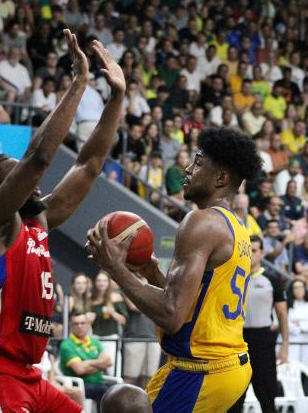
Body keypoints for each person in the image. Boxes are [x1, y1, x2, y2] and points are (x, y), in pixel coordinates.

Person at [0, 30, 125, 413]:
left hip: (30, 375)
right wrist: (79, 83)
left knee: (127, 401)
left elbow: (90, 164)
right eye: (18, 175)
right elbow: (39, 158)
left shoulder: (38, 223)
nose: (35, 182)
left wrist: (116, 98)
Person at [87, 127, 262, 412]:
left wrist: (115, 268)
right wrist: (152, 274)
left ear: (221, 178)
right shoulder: (237, 227)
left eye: (198, 163)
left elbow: (171, 315)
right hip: (223, 365)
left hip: (202, 369)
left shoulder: (201, 222)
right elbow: (192, 304)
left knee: (120, 401)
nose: (188, 168)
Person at [228, 236, 289, 413]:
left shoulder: (272, 279)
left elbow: (282, 314)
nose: (251, 254)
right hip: (237, 341)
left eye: (254, 251)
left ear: (262, 253)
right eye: (248, 250)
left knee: (267, 396)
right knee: (234, 398)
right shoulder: (234, 278)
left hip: (263, 341)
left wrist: (285, 345)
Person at [59, 313, 112, 407]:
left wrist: (88, 363)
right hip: (79, 385)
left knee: (118, 390)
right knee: (105, 392)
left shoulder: (94, 341)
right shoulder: (66, 345)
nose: (80, 326)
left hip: (99, 383)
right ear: (71, 326)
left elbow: (109, 362)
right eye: (76, 323)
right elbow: (80, 370)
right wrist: (99, 365)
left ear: (88, 325)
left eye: (83, 323)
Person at [286, 279, 308, 364]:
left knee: (306, 368)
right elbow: (285, 323)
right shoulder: (286, 306)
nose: (299, 290)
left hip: (306, 341)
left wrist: (300, 324)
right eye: (296, 288)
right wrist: (301, 325)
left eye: (301, 287)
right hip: (290, 341)